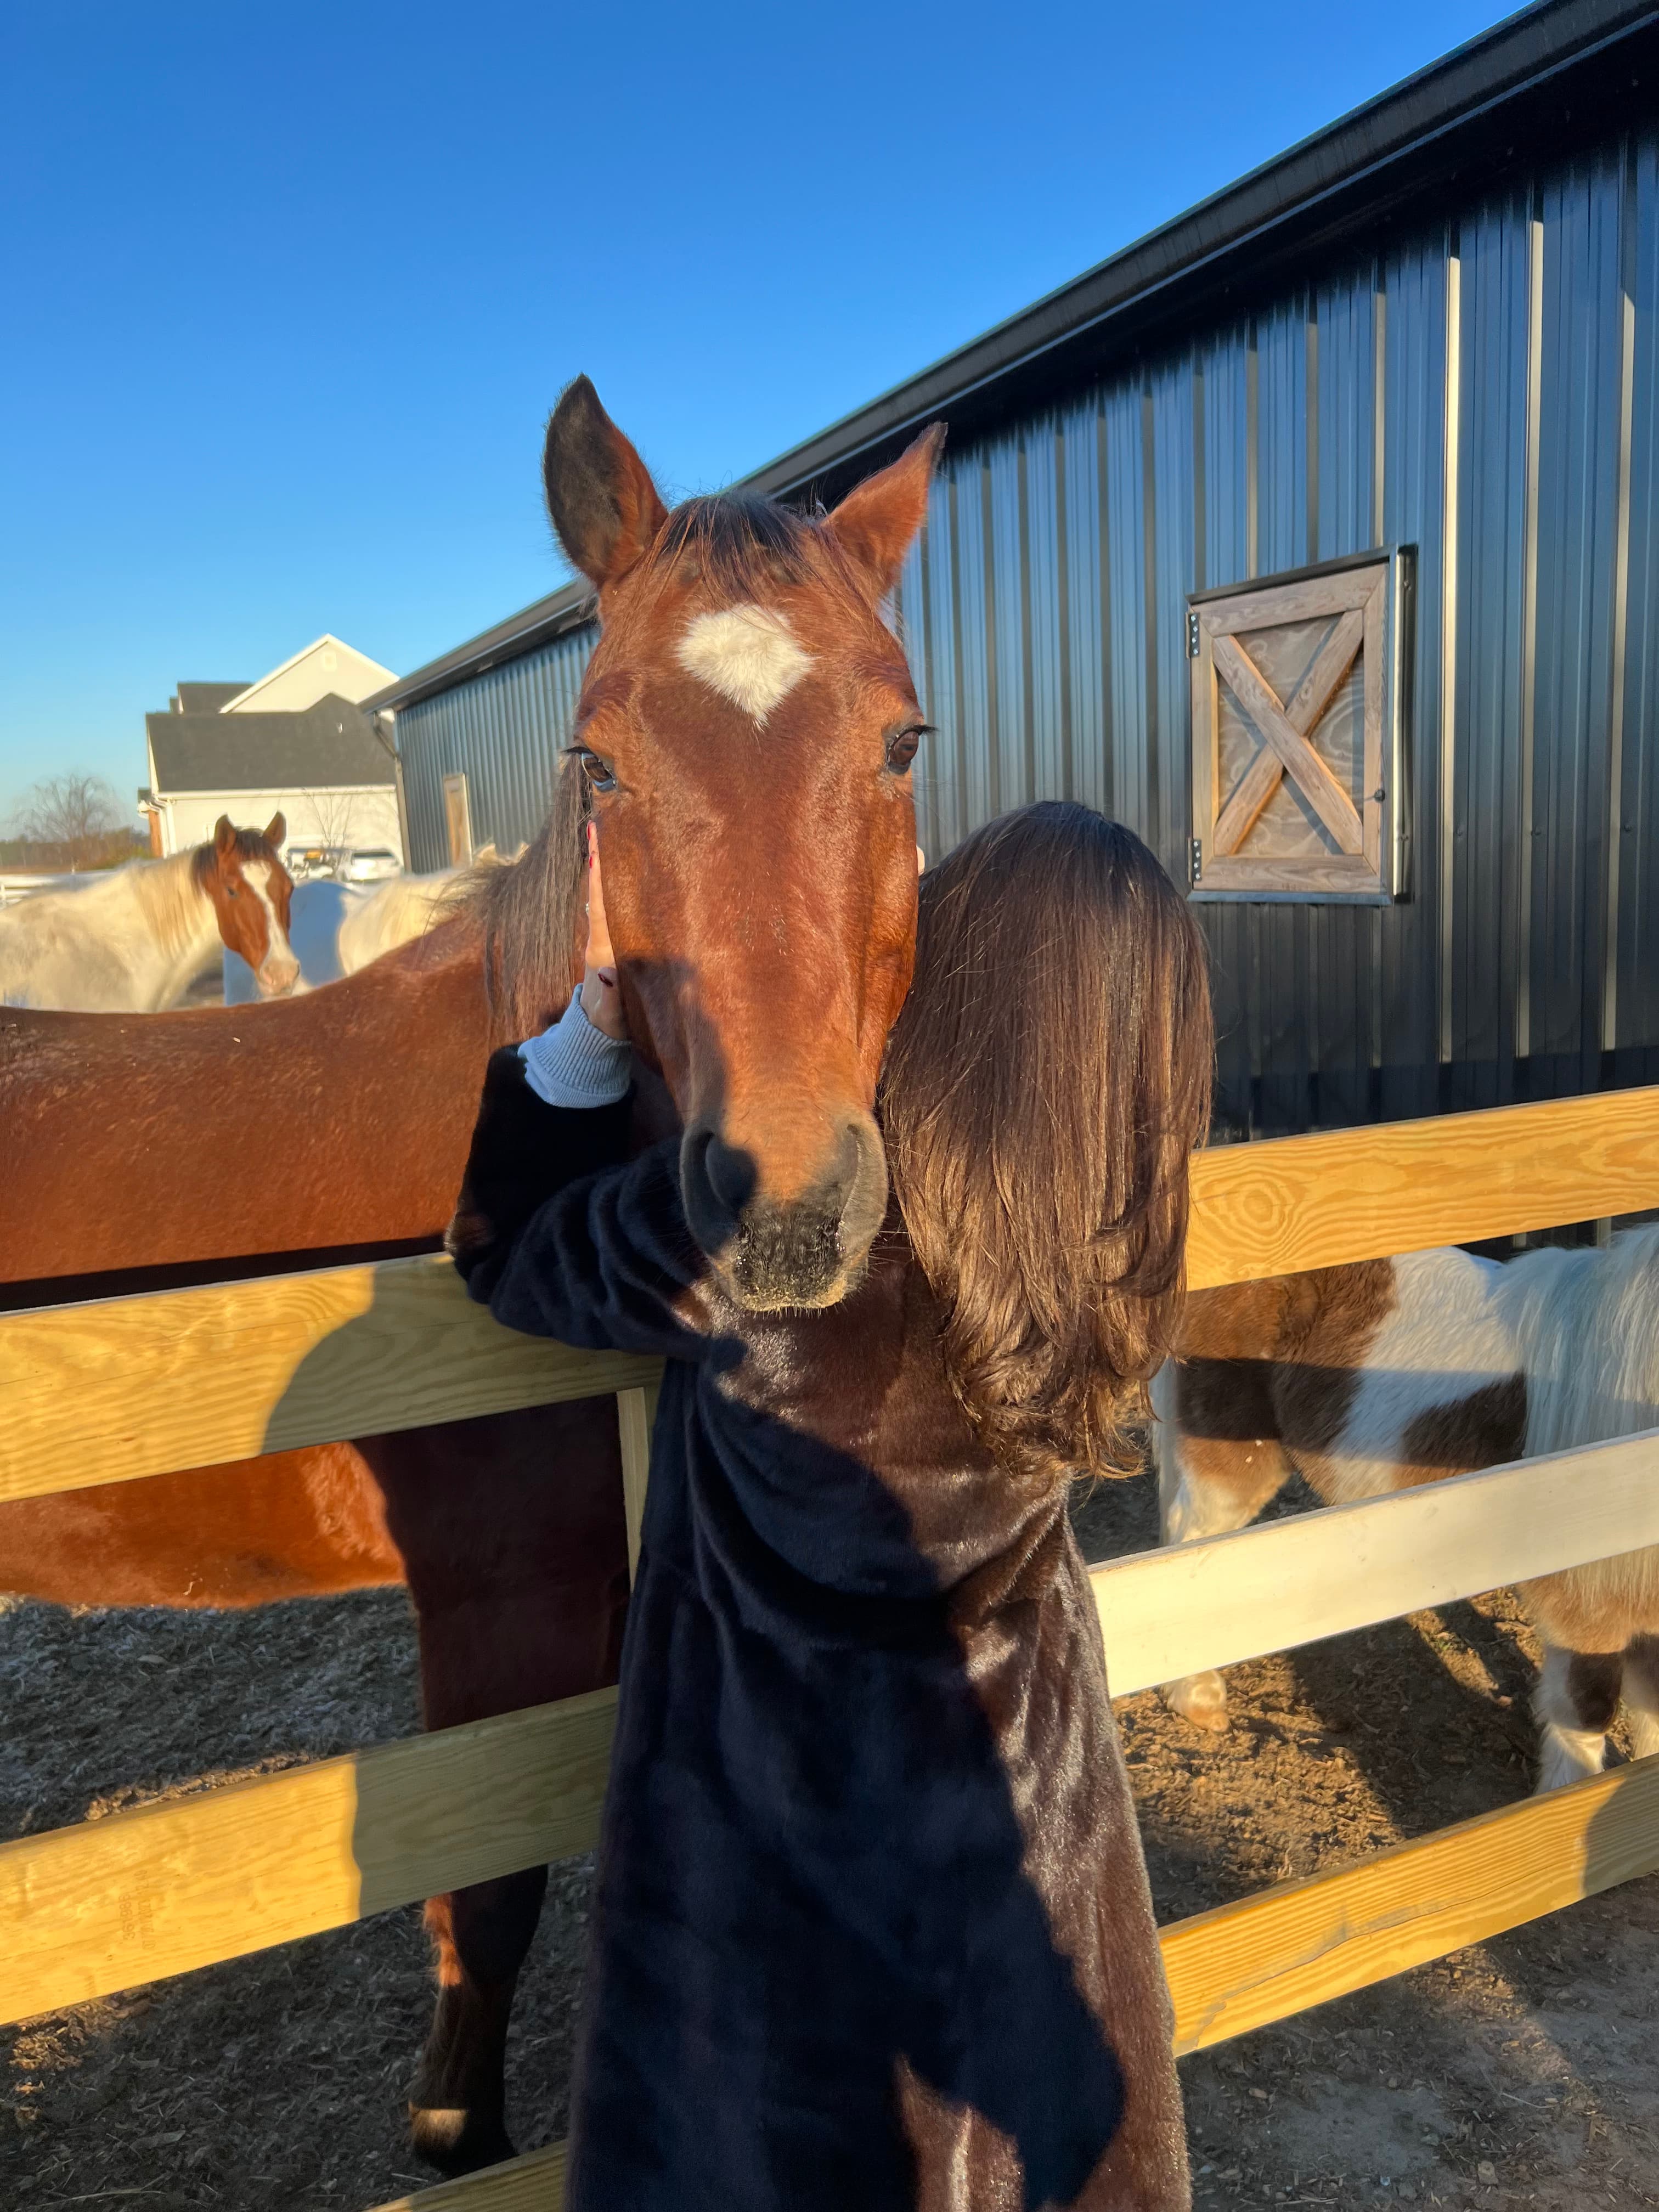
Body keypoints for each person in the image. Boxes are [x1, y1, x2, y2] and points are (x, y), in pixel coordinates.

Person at [448, 800, 1213, 2211]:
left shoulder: (774, 1248)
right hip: (1023, 1800)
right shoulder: (1111, 1251)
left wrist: (594, 1024)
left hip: (767, 1835)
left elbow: (508, 1250)